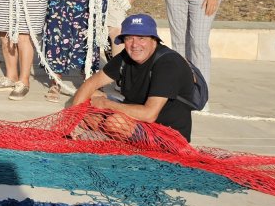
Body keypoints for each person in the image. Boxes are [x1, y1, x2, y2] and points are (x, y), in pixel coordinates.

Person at [69, 14, 196, 142]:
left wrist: (106, 104)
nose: (135, 45)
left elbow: (149, 115)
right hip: (137, 120)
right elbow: (91, 83)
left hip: (168, 134)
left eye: (141, 38)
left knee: (116, 122)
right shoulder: (126, 56)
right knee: (90, 97)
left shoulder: (168, 64)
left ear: (154, 40)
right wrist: (73, 119)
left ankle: (111, 139)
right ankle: (109, 137)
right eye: (129, 38)